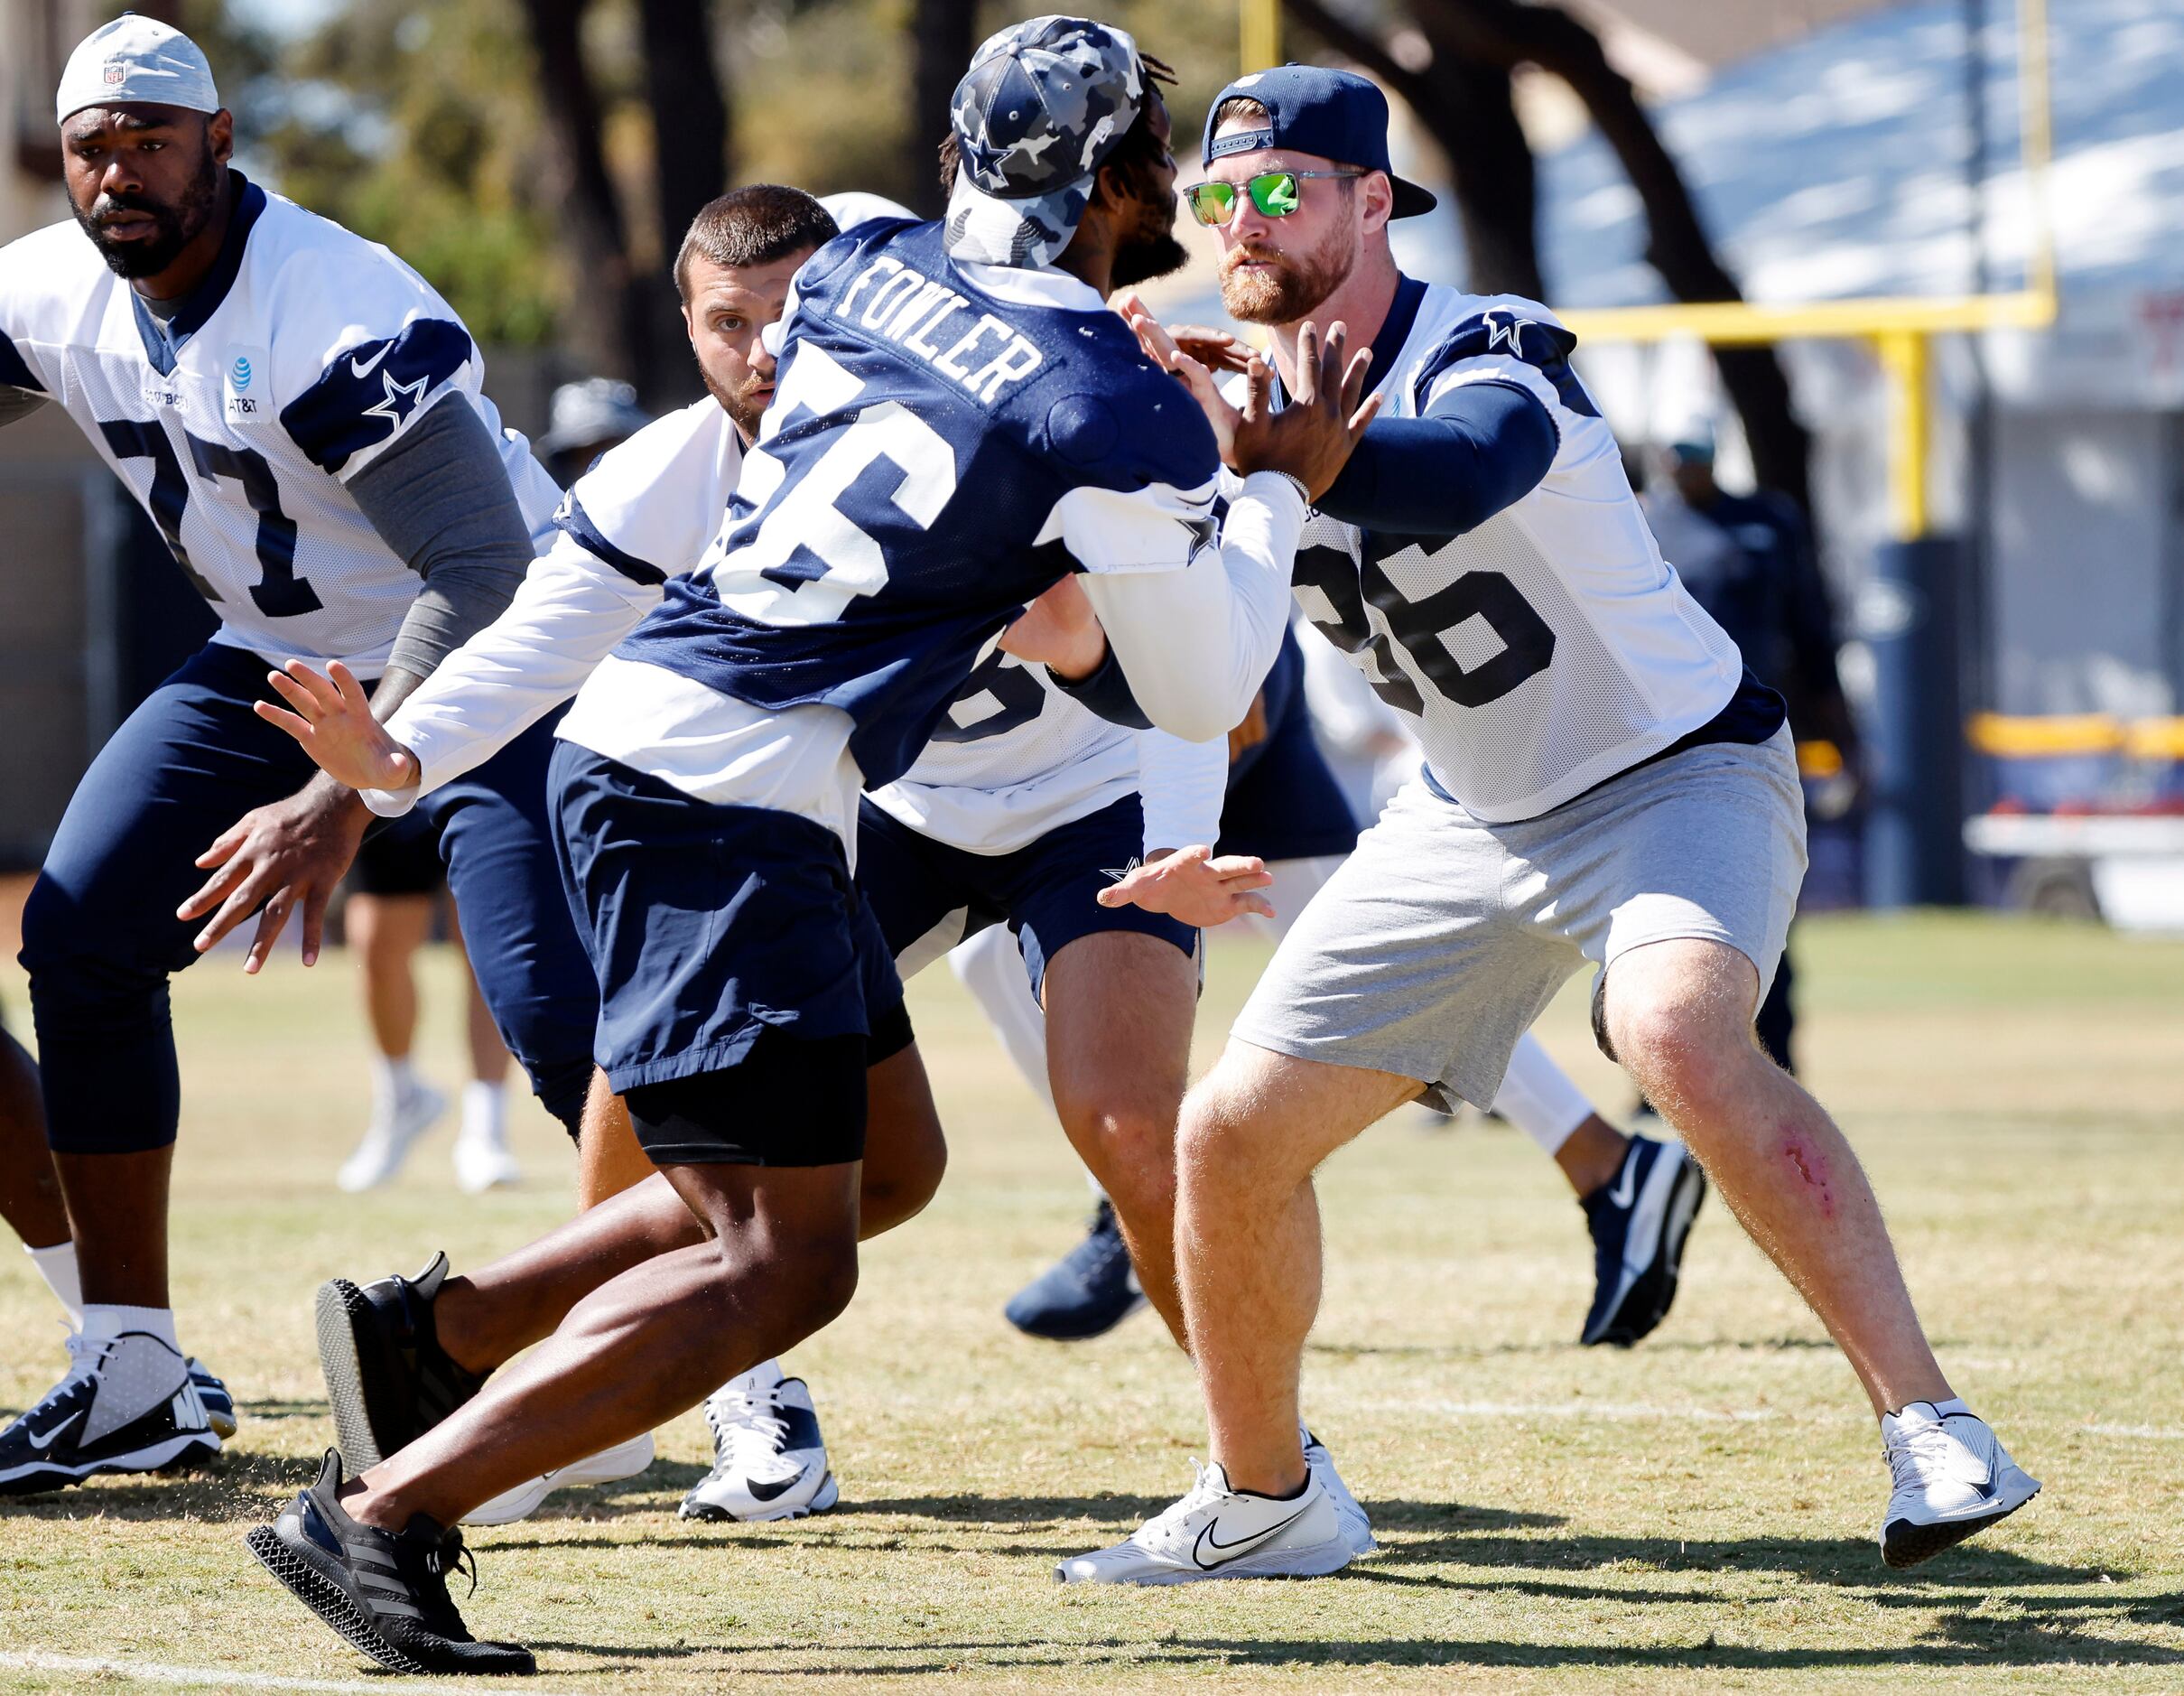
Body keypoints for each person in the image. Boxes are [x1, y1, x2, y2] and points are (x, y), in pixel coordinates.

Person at [240, 17, 1373, 1668]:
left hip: (696, 767)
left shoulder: (858, 275)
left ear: (954, 161)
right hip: (730, 802)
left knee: (873, 1169)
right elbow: (1197, 677)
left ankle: (433, 1348)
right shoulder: (1099, 392)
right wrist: (1267, 483)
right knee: (780, 1266)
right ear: (1136, 179)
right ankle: (384, 1508)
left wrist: (406, 756)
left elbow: (615, 578)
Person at [1061, 65, 2038, 1585]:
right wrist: (1170, 795)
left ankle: (1928, 1423)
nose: (1241, 221)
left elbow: (1473, 464)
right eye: (1220, 196)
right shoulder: (1223, 408)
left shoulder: (1485, 343)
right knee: (1226, 1137)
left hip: (1669, 772)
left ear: (1371, 200)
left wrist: (1313, 457)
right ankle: (1263, 1495)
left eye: (1281, 190)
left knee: (1668, 1031)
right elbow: (1206, 657)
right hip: (1461, 814)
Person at [0, 16, 598, 1496]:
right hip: (277, 653)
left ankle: (741, 1375)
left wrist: (341, 796)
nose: (119, 170)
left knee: (553, 1012)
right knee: (78, 935)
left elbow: (486, 567)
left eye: (151, 137)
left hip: (501, 655)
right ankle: (131, 1363)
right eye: (93, 146)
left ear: (219, 141)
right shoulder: (50, 287)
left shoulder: (333, 309)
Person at [995, 614, 1707, 1350]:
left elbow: (1222, 503)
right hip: (1180, 676)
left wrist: (1224, 657)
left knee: (1006, 938)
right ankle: (1606, 1164)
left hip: (1176, 687)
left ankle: (1130, 1205)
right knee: (1373, 961)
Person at [1640, 424, 1863, 1072]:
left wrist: (1843, 736)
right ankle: (1663, 1066)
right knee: (1662, 910)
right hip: (1658, 744)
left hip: (1753, 736)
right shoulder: (1634, 524)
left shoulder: (1767, 524)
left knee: (1765, 903)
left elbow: (1811, 630)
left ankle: (1776, 1059)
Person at [333, 815, 521, 1195]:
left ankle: (485, 1130)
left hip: (480, 764)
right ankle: (403, 1099)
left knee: (484, 940)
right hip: (392, 770)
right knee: (375, 943)